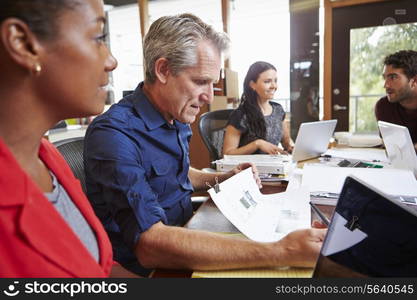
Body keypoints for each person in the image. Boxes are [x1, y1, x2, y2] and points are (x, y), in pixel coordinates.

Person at [84, 13, 326, 276]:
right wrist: (282, 251)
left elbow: (176, 172)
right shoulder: (114, 134)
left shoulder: (173, 115)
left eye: (213, 83)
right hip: (152, 267)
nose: (209, 96)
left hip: (189, 232)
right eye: (200, 81)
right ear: (163, 70)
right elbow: (149, 244)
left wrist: (225, 177)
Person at [0, 0, 137, 278]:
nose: (111, 61)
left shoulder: (47, 159)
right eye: (98, 37)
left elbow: (99, 268)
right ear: (23, 44)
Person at [223, 61, 294, 155]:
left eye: (275, 81)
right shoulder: (240, 115)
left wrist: (292, 147)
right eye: (267, 81)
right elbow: (227, 154)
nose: (274, 86)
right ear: (252, 85)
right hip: (248, 168)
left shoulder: (278, 110)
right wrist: (257, 144)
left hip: (273, 166)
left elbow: (286, 141)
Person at [375, 50, 417, 152]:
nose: (386, 85)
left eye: (393, 77)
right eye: (385, 78)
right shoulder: (384, 106)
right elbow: (393, 147)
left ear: (414, 81)